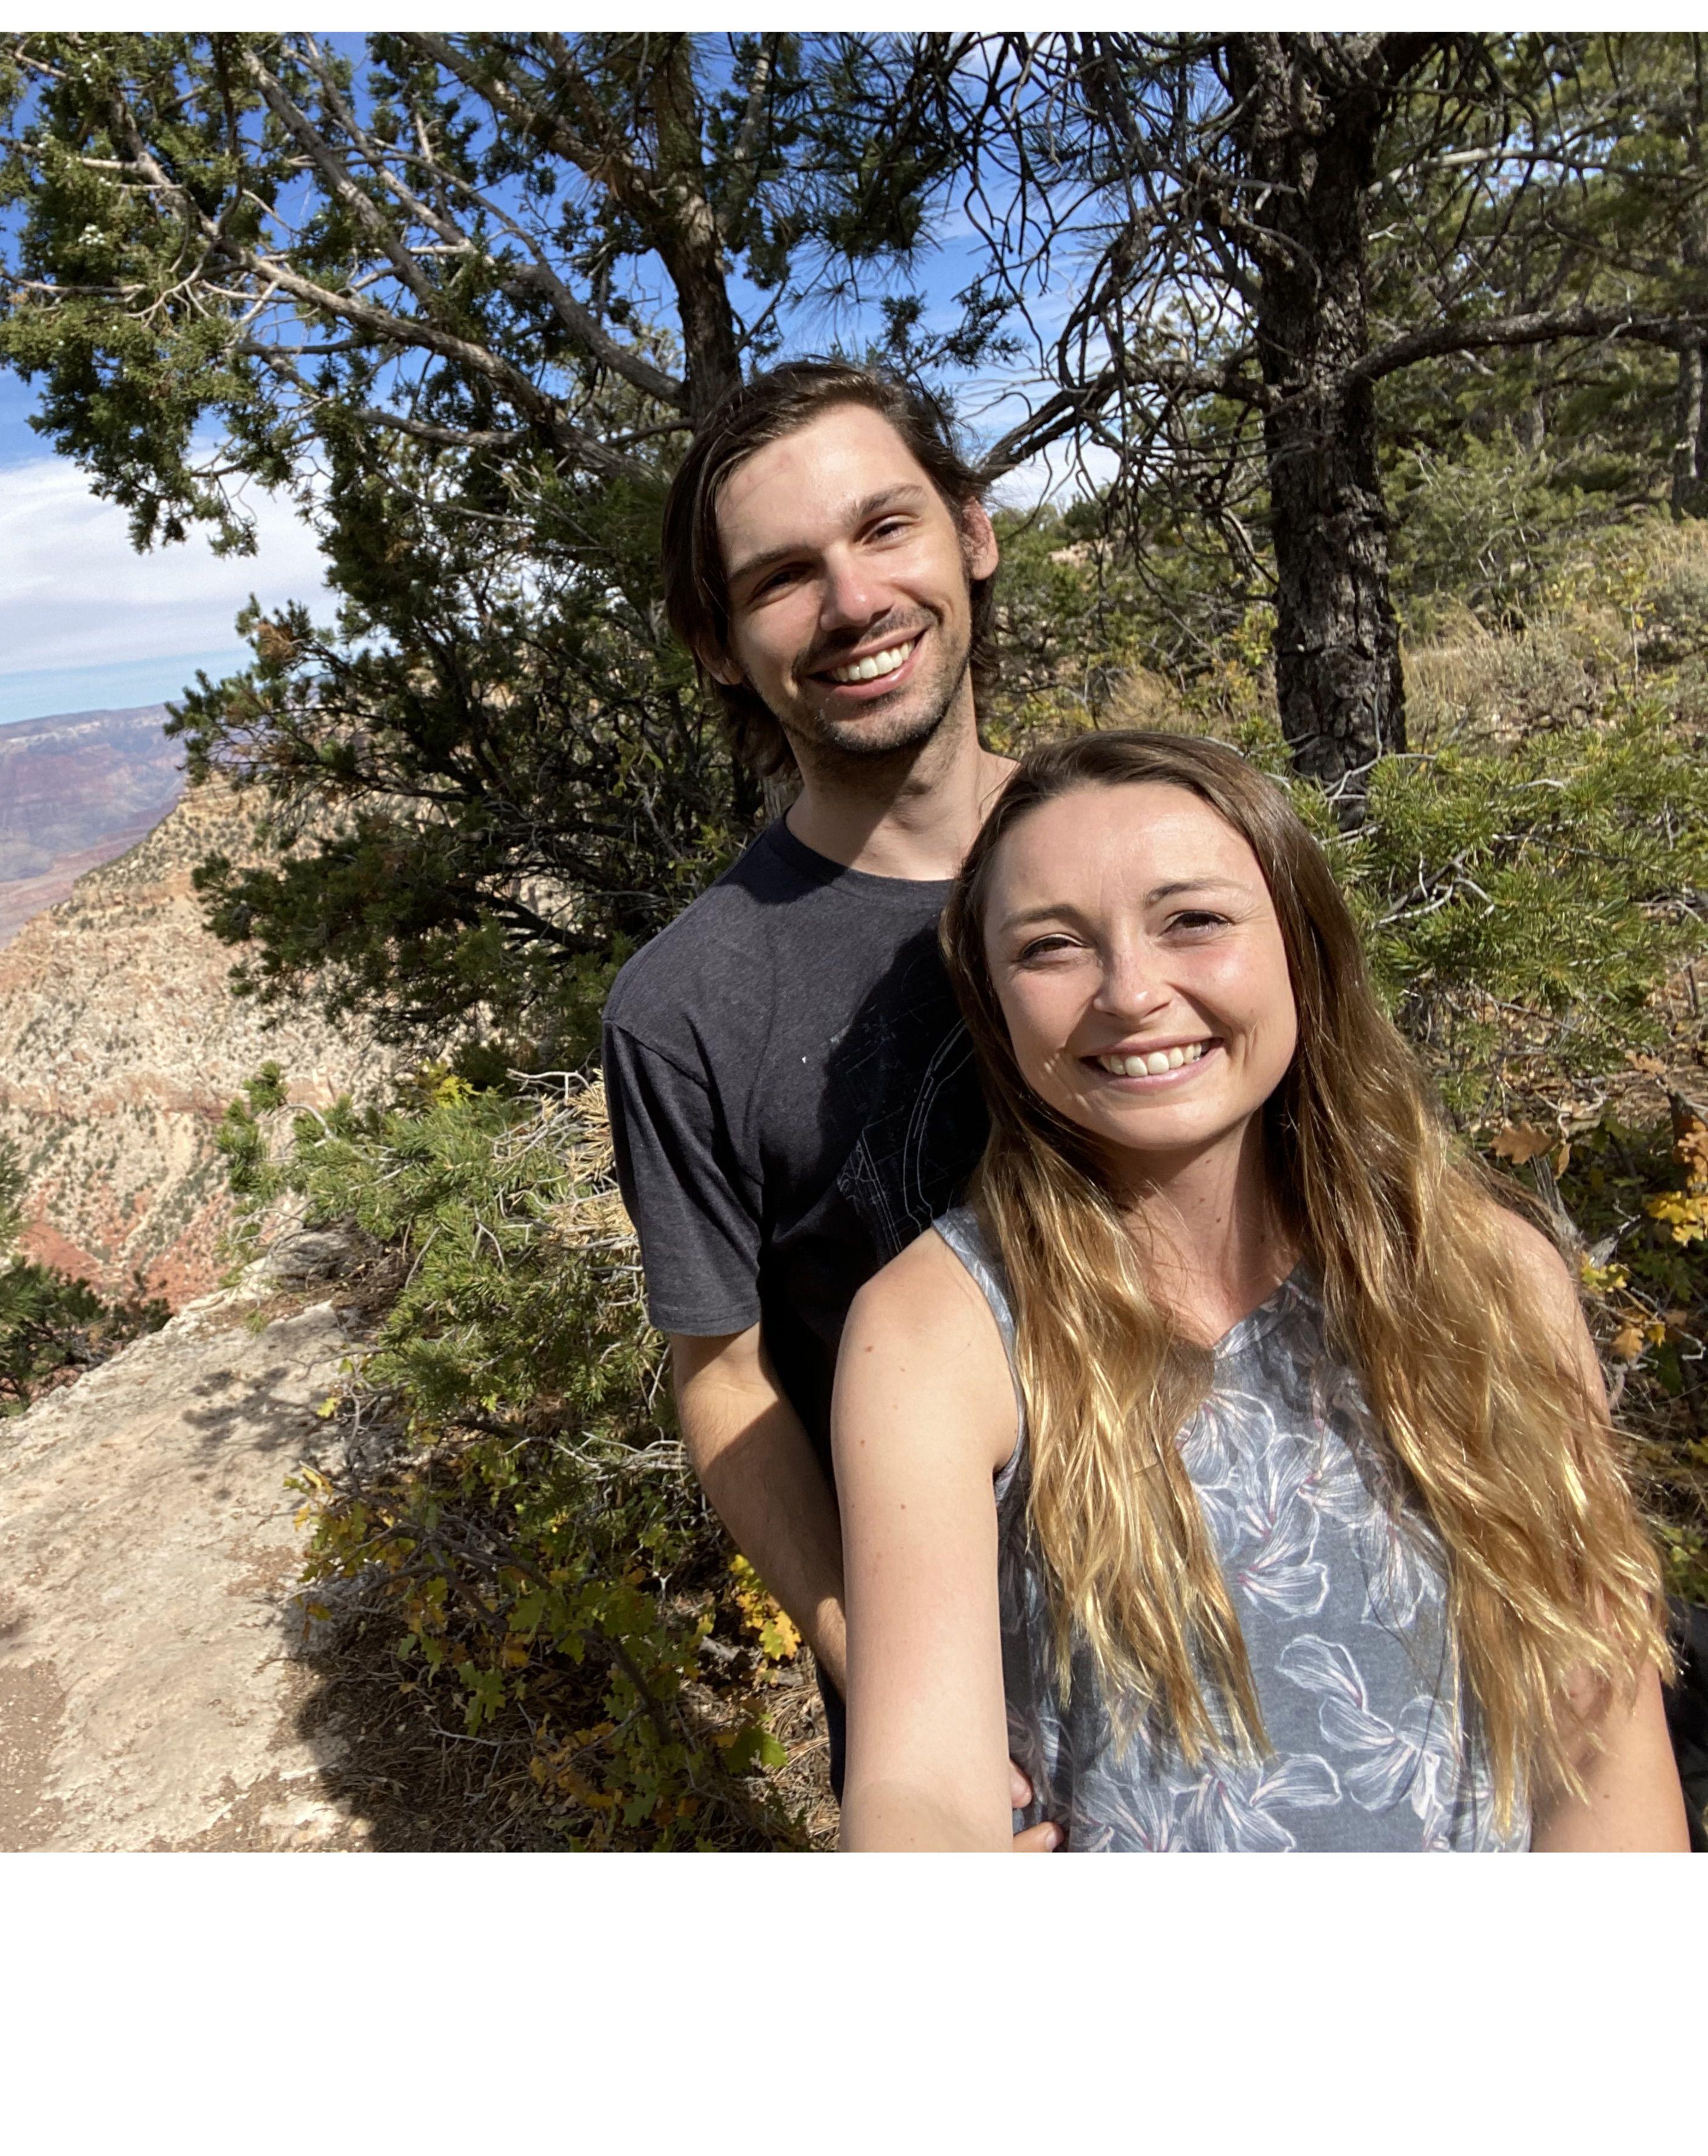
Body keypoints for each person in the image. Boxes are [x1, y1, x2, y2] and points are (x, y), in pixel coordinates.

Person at [834, 729, 1686, 1850]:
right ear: (993, 1006)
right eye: (1052, 948)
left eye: (1194, 920)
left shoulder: (1492, 1279)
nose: (1133, 993)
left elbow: (1600, 1738)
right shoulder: (941, 1332)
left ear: (1301, 942)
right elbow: (918, 1784)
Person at [602, 356, 1031, 1819]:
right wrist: (888, 1675)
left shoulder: (1158, 853)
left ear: (971, 532)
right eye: (782, 577)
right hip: (969, 1726)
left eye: (885, 529)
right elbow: (724, 1380)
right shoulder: (689, 1006)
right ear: (721, 645)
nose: (851, 603)